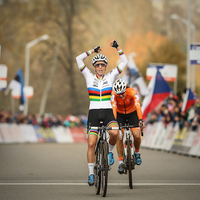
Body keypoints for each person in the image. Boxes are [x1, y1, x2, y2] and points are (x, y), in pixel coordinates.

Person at [76, 40, 128, 186]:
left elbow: (124, 62)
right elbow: (78, 59)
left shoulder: (111, 76)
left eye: (103, 65)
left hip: (107, 113)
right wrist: (92, 51)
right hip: (93, 113)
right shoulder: (88, 76)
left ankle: (110, 151)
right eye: (98, 65)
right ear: (94, 67)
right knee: (91, 144)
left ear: (105, 67)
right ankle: (91, 174)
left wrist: (118, 48)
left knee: (115, 133)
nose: (100, 67)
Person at [111, 78, 145, 174]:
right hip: (120, 115)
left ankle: (137, 153)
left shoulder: (132, 92)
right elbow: (114, 108)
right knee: (119, 137)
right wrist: (114, 122)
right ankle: (121, 162)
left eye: (122, 93)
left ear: (125, 89)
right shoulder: (113, 95)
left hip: (132, 114)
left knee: (137, 135)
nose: (121, 95)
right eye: (119, 94)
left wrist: (140, 120)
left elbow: (138, 106)